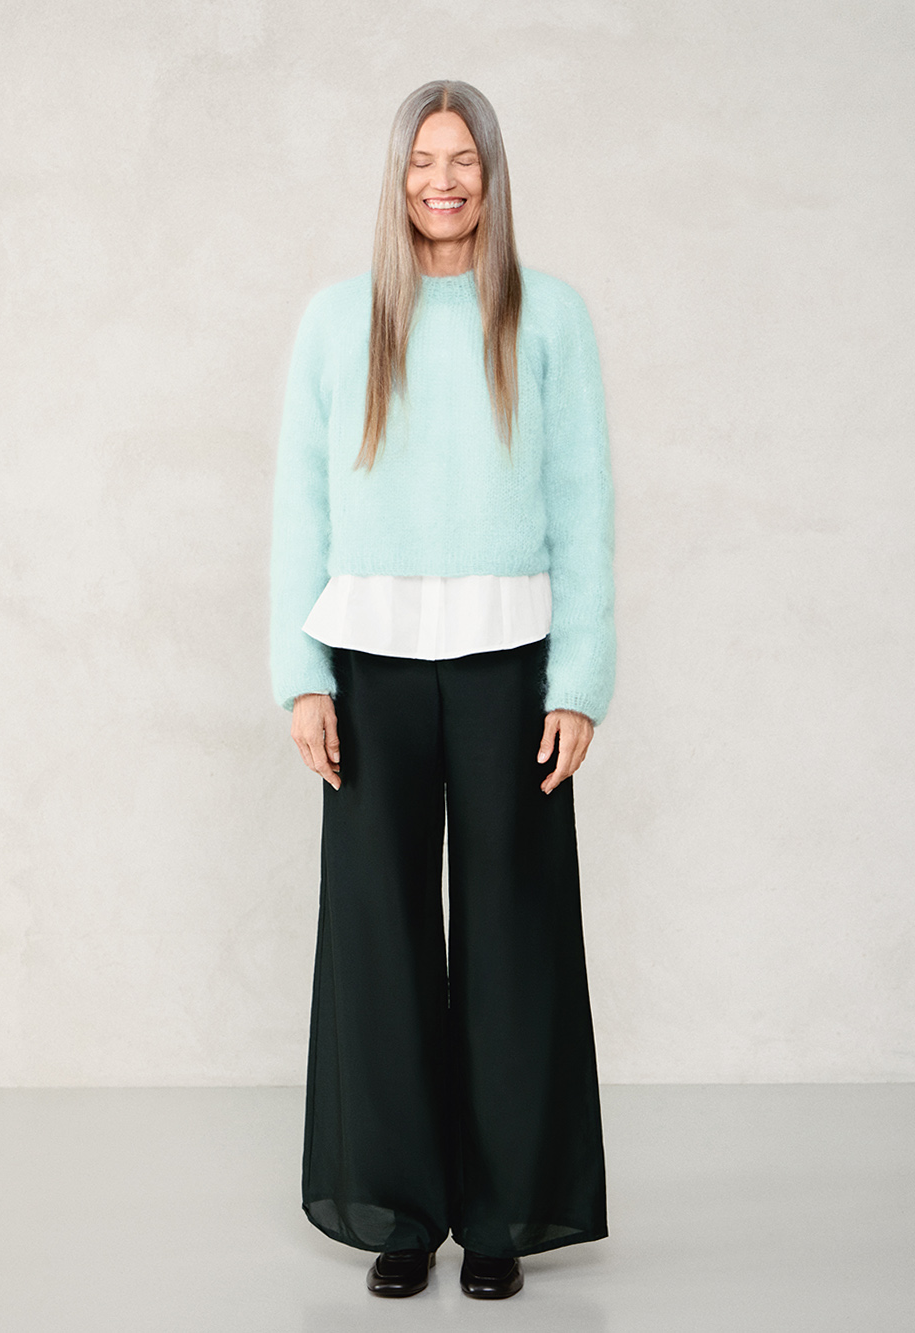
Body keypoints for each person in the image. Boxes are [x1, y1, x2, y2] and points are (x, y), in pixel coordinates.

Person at [268, 79, 616, 1301]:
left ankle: (504, 1210)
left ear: (491, 174)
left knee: (515, 930)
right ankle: (401, 1210)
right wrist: (300, 677)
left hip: (511, 660)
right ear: (397, 176)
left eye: (462, 159)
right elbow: (299, 506)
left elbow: (583, 507)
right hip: (367, 662)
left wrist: (579, 681)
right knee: (379, 933)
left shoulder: (549, 317)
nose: (443, 181)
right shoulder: (337, 321)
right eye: (423, 160)